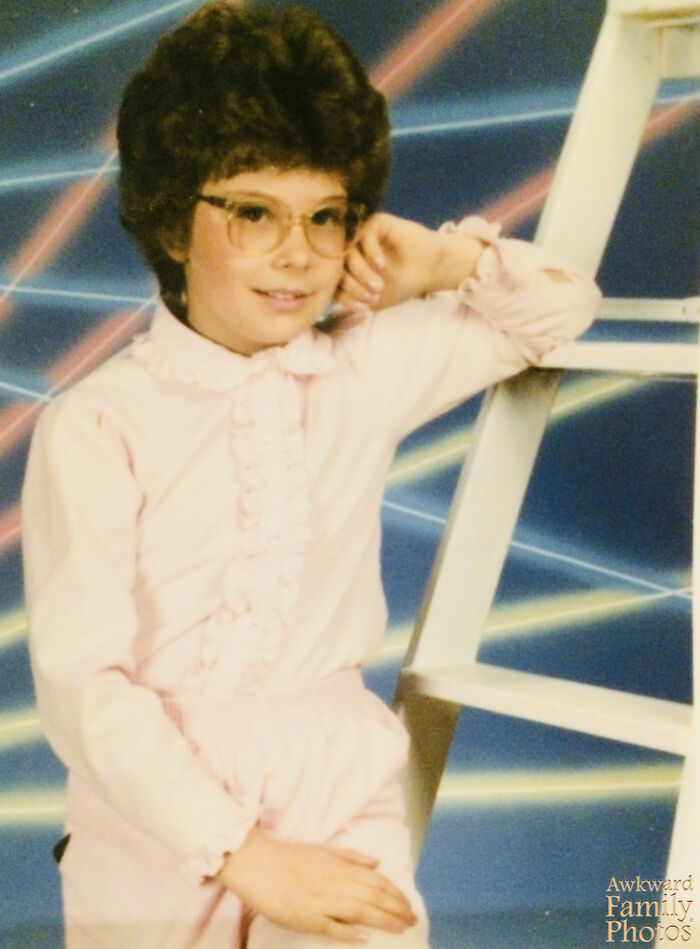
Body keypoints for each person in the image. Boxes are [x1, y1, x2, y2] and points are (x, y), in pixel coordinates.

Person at [21, 3, 600, 948]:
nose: (298, 253)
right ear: (174, 221)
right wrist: (246, 855)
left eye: (326, 217)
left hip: (337, 788)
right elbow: (84, 686)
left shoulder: (359, 370)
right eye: (255, 213)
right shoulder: (97, 424)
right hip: (155, 819)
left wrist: (444, 259)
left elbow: (559, 310)